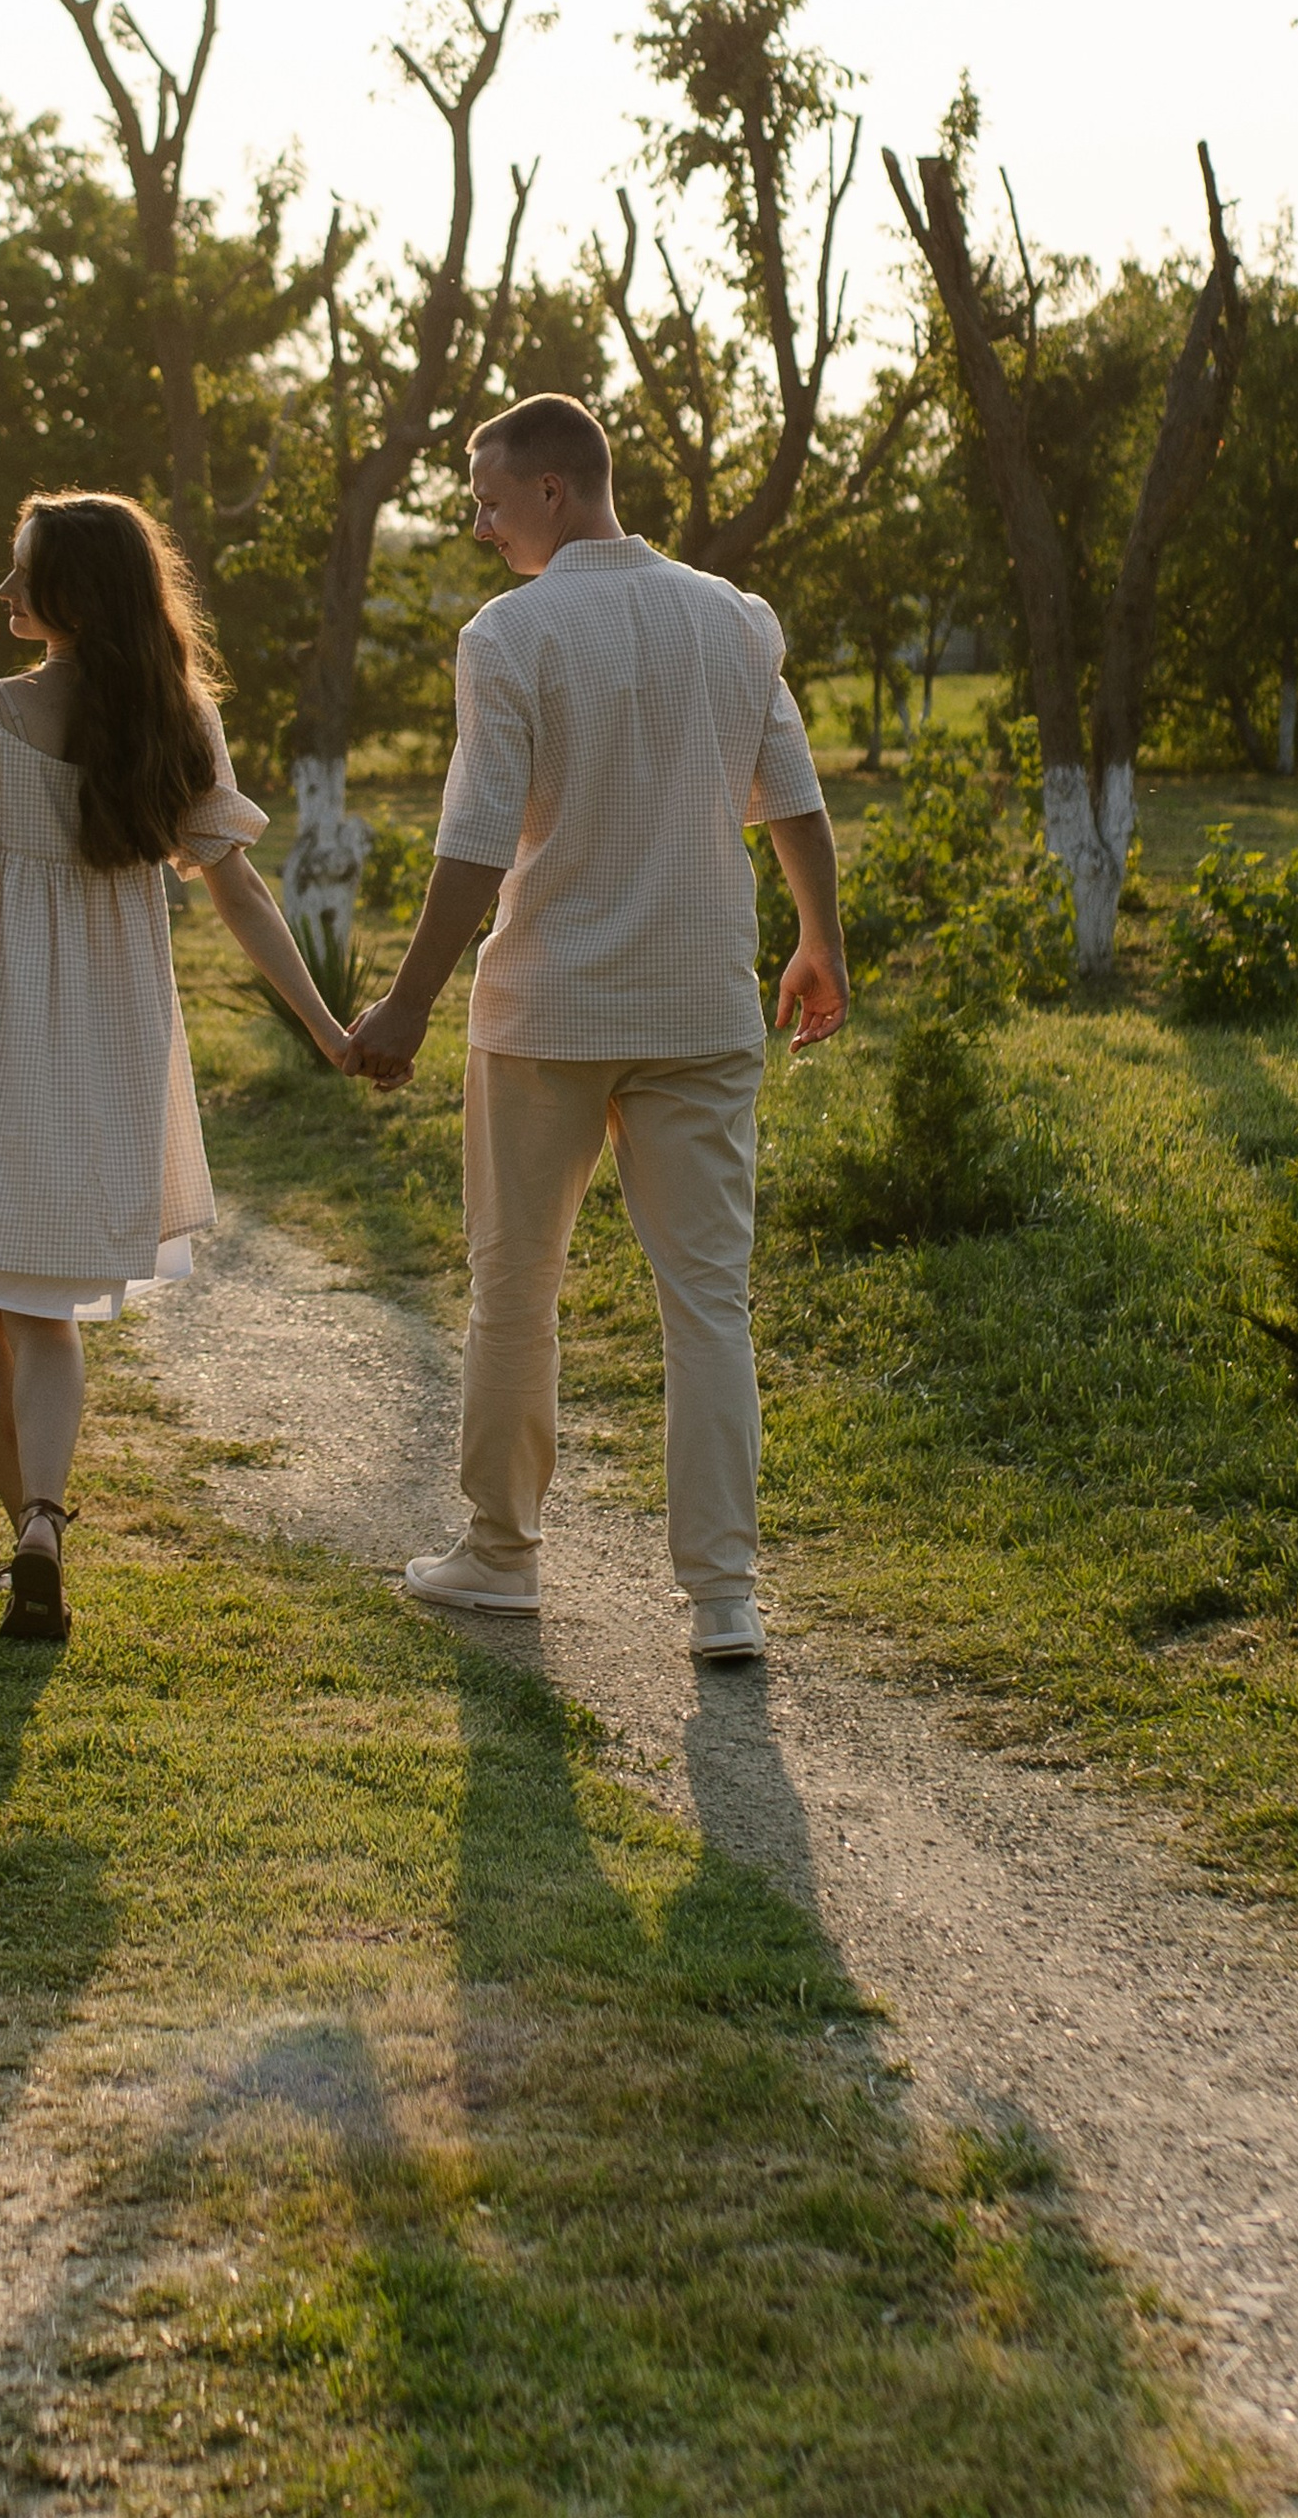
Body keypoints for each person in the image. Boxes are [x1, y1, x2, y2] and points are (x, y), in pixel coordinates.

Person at [0, 491, 354, 1643]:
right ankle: (43, 1514)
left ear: (67, 597)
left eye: (16, 576)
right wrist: (325, 1028)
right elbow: (239, 887)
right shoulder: (173, 719)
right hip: (104, 1030)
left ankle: (28, 1538)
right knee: (49, 1316)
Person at [344, 394, 847, 1661]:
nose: (476, 522)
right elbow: (791, 795)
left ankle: (502, 1557)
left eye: (488, 498)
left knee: (516, 1288)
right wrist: (818, 941)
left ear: (554, 491)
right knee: (708, 1302)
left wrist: (406, 1002)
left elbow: (472, 838)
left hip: (548, 1010)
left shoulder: (509, 634)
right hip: (698, 1005)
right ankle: (723, 1596)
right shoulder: (734, 621)